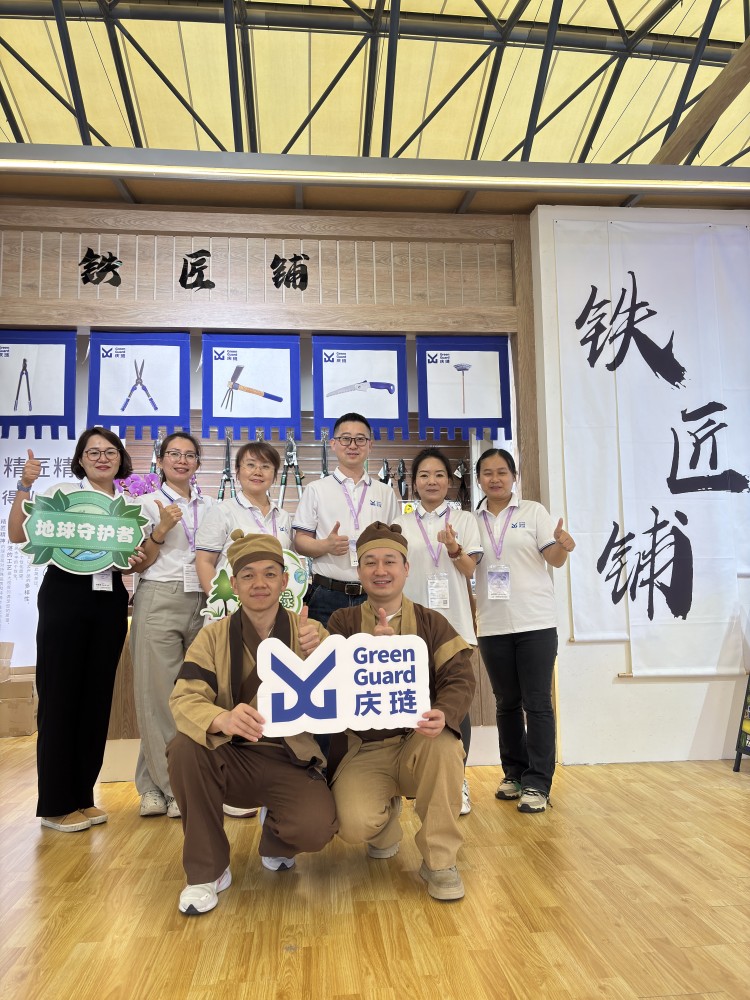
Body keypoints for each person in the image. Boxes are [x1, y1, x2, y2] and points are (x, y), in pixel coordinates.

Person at [167, 530, 338, 915]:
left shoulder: (309, 633)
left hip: (288, 758)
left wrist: (322, 652)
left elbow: (340, 698)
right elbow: (184, 698)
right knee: (184, 748)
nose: (259, 583)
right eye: (248, 575)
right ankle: (207, 871)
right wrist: (221, 718)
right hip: (229, 755)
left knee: (316, 828)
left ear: (284, 580)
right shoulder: (212, 637)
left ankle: (277, 837)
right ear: (234, 582)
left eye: (269, 574)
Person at [326, 521, 475, 901]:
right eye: (370, 562)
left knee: (445, 745)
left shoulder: (431, 622)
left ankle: (440, 862)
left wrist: (443, 713)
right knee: (352, 824)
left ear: (406, 568)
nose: (381, 570)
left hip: (419, 741)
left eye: (390, 561)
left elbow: (459, 677)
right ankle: (384, 824)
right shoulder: (342, 623)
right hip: (365, 748)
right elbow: (328, 686)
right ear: (359, 570)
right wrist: (366, 653)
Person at [8, 429, 139, 832]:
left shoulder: (128, 503)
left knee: (96, 699)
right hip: (65, 594)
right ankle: (54, 805)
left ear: (120, 459)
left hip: (109, 596)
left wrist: (137, 556)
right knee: (60, 695)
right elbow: (17, 534)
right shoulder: (62, 493)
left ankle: (83, 797)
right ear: (80, 459)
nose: (102, 458)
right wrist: (25, 485)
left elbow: (137, 559)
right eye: (92, 452)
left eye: (110, 451)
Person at [194, 439, 293, 818]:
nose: (257, 472)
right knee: (230, 690)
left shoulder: (284, 517)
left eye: (265, 466)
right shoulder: (222, 511)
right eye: (250, 465)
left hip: (272, 618)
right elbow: (205, 560)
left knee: (268, 690)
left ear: (275, 474)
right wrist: (221, 606)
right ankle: (230, 785)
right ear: (237, 472)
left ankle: (268, 778)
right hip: (231, 615)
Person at [473, 449, 575, 814]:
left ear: (514, 477)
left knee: (537, 703)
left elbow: (554, 559)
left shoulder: (533, 512)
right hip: (492, 623)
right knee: (506, 703)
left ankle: (538, 782)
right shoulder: (472, 520)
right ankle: (514, 774)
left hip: (535, 622)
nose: (495, 478)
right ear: (478, 479)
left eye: (502, 471)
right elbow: (466, 565)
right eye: (487, 472)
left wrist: (563, 546)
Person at [130, 433, 213, 820]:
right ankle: (173, 787)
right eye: (174, 454)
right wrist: (160, 530)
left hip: (203, 600)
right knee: (157, 696)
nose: (182, 460)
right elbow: (136, 563)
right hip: (159, 595)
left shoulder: (210, 506)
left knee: (191, 696)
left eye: (189, 455)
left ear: (198, 463)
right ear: (160, 460)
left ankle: (151, 785)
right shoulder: (144, 502)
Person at [400, 447, 483, 816]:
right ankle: (415, 778)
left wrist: (452, 548)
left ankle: (457, 779)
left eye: (438, 475)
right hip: (412, 624)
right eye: (424, 475)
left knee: (455, 703)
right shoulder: (401, 522)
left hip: (455, 624)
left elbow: (470, 569)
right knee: (414, 700)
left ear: (449, 481)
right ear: (414, 482)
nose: (431, 481)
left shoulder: (464, 519)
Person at [293, 413, 400, 628]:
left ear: (370, 445)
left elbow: (396, 542)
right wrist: (325, 546)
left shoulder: (385, 492)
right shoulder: (316, 489)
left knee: (373, 650)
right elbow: (300, 541)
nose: (353, 445)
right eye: (345, 439)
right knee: (324, 649)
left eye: (360, 439)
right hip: (326, 594)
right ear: (333, 444)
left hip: (374, 593)